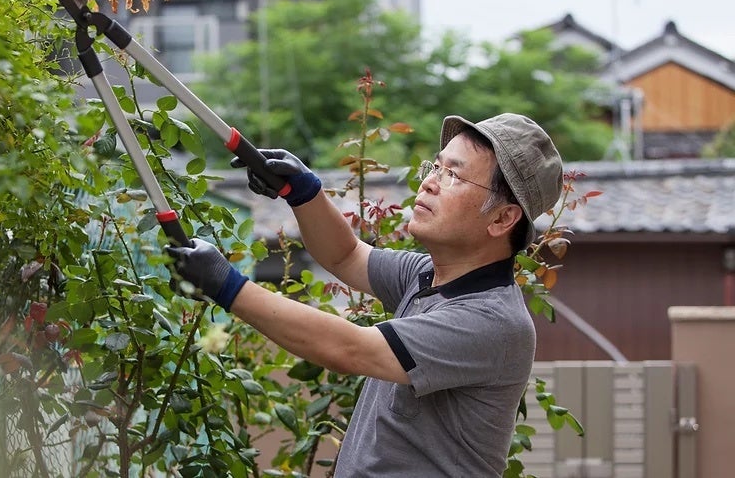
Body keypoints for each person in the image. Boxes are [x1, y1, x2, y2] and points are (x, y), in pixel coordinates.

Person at [167, 113, 564, 477]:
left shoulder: (492, 321)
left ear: (501, 218)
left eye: (454, 177)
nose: (428, 182)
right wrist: (303, 192)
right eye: (436, 168)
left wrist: (227, 285)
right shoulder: (426, 275)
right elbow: (347, 255)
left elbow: (351, 349)